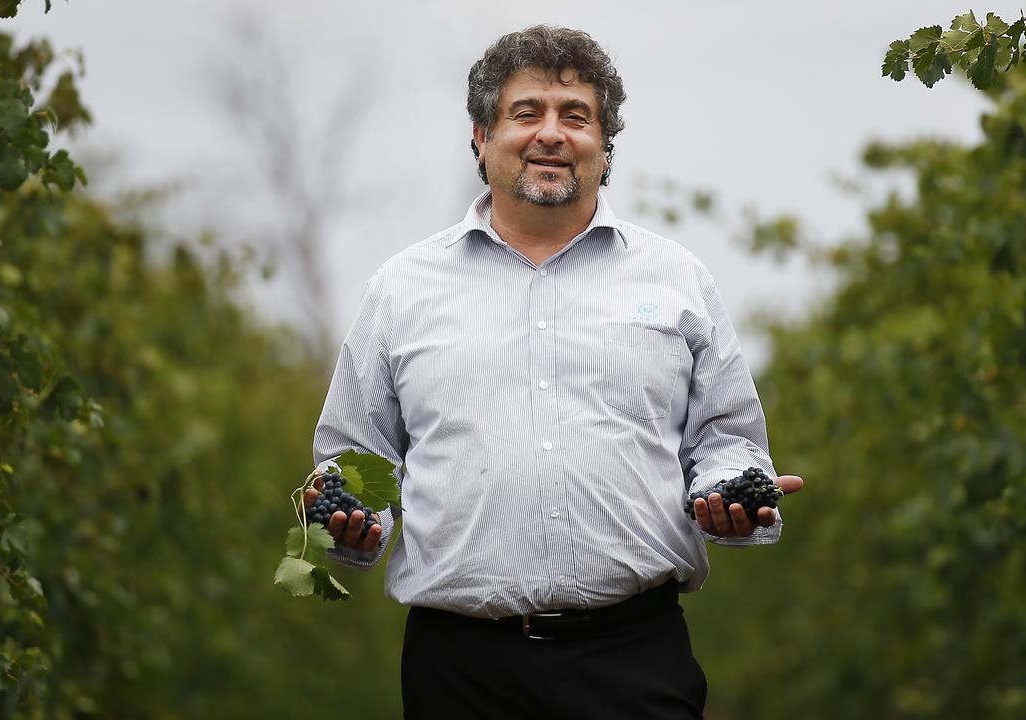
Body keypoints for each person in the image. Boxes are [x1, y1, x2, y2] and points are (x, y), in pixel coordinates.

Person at [304, 24, 803, 719]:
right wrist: (351, 519)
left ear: (606, 145)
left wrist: (733, 493)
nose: (551, 134)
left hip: (634, 658)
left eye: (576, 116)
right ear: (481, 136)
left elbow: (727, 439)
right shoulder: (401, 290)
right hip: (459, 670)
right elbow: (356, 459)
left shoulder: (678, 279)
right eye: (525, 113)